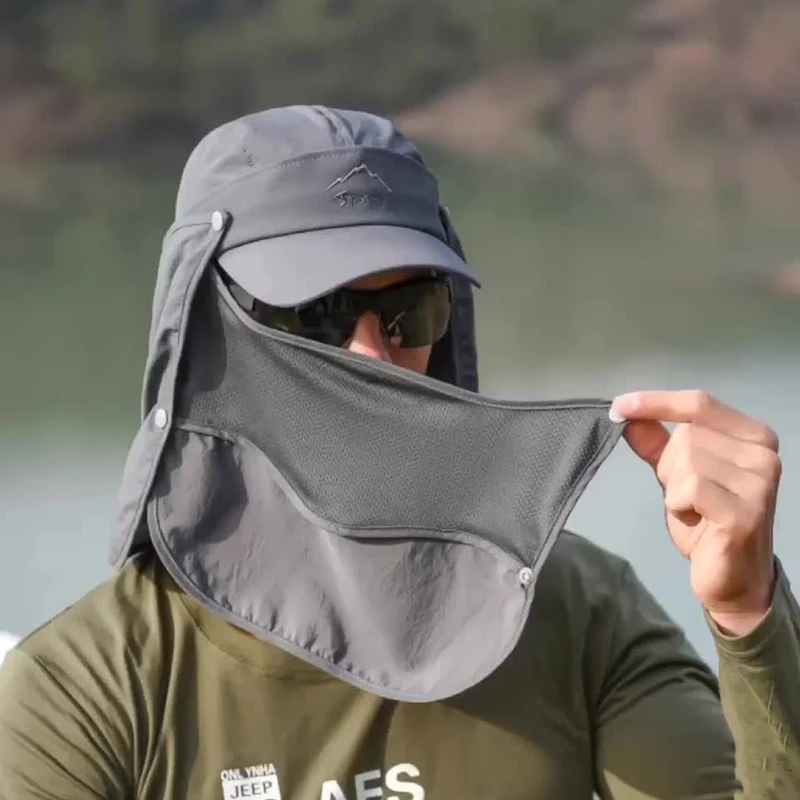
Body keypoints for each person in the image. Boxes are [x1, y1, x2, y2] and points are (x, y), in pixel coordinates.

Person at [0, 106, 797, 800]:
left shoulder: (577, 613)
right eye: (316, 314)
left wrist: (746, 612)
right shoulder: (91, 693)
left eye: (407, 313)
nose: (373, 357)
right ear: (208, 333)